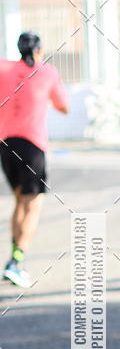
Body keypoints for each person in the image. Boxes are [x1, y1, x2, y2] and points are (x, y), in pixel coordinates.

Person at [0, 31, 69, 289]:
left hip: (6, 144)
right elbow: (64, 106)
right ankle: (16, 263)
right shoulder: (47, 72)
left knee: (20, 201)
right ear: (39, 51)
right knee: (34, 204)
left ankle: (14, 259)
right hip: (32, 145)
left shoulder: (3, 69)